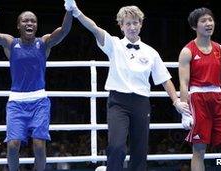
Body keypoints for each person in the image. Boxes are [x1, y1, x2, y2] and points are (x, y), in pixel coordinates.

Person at [64, 1, 191, 171]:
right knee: (116, 146)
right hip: (118, 102)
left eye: (135, 22)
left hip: (141, 103)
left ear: (141, 24)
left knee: (140, 150)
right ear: (121, 26)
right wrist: (77, 12)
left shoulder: (151, 52)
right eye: (128, 23)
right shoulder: (114, 44)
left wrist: (176, 101)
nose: (132, 27)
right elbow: (94, 28)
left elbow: (164, 79)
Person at [0, 3, 73, 171]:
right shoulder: (10, 43)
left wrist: (70, 10)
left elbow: (63, 31)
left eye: (33, 21)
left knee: (40, 145)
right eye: (25, 21)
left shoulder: (44, 43)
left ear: (36, 25)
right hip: (16, 102)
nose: (29, 23)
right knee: (13, 145)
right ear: (18, 25)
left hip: (39, 101)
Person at [178, 7, 221, 171]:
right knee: (199, 150)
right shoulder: (187, 51)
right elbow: (184, 83)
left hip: (219, 100)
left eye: (210, 20)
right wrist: (185, 112)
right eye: (203, 21)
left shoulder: (220, 49)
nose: (208, 23)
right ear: (195, 26)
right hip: (198, 100)